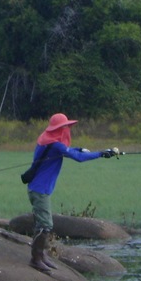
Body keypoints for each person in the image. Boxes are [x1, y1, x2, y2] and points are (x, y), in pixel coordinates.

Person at [25, 113, 117, 271]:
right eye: (64, 127)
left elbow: (68, 151)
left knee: (43, 223)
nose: (67, 129)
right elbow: (77, 158)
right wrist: (101, 153)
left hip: (40, 188)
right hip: (39, 190)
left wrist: (80, 149)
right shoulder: (53, 143)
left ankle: (41, 255)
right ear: (58, 129)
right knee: (45, 225)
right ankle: (36, 258)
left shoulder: (49, 140)